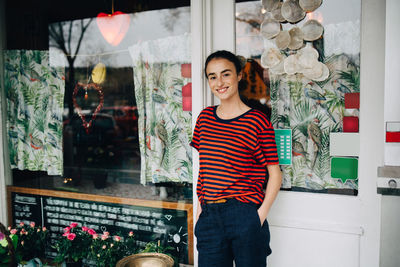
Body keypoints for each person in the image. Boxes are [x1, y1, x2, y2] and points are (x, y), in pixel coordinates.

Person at [190, 50, 282, 267]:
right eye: (212, 77)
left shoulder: (257, 121)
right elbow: (205, 167)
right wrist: (201, 210)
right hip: (210, 215)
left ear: (239, 75)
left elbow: (275, 174)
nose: (219, 82)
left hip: (244, 215)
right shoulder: (204, 119)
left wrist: (258, 216)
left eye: (226, 74)